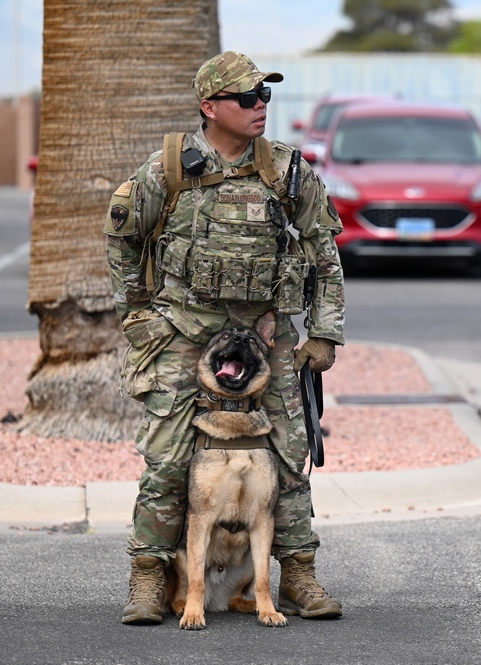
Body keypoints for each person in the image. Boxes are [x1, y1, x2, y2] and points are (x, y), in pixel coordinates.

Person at [104, 51, 345, 625]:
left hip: (268, 330)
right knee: (166, 455)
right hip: (186, 328)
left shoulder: (287, 170)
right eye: (246, 98)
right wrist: (137, 315)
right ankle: (147, 578)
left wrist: (325, 332)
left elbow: (324, 253)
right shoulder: (169, 168)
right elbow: (122, 240)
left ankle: (299, 576)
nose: (260, 106)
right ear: (210, 107)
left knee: (289, 453)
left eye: (265, 96)